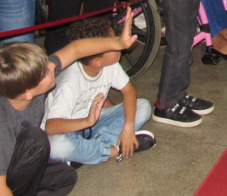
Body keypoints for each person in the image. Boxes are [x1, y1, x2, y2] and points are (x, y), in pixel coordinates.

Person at [0, 23, 137, 196]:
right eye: (46, 71)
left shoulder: (27, 84)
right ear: (27, 93)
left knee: (65, 180)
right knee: (36, 140)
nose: (53, 68)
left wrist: (117, 42)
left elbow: (75, 49)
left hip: (12, 158)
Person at [45, 15, 155, 165]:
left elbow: (129, 91)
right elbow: (50, 127)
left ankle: (88, 151)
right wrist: (86, 122)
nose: (119, 45)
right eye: (112, 44)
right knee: (55, 146)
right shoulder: (70, 80)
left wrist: (128, 127)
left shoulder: (110, 64)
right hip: (70, 129)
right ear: (97, 61)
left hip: (95, 125)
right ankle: (114, 150)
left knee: (143, 106)